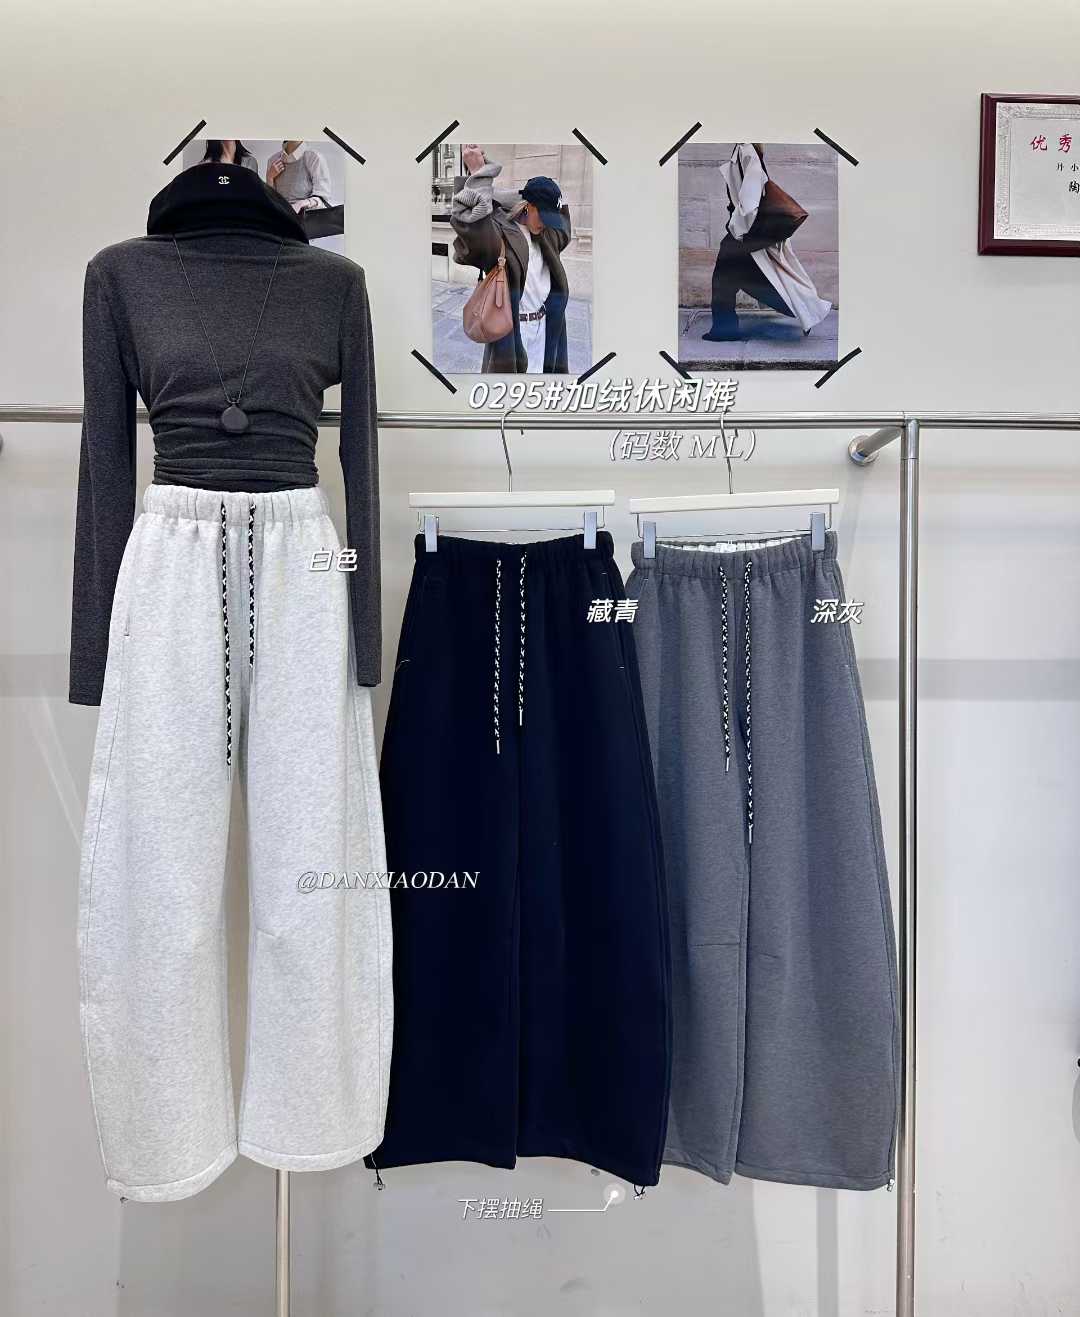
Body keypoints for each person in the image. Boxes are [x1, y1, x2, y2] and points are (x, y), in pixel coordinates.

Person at [450, 146, 572, 374]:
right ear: (528, 206)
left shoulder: (549, 236)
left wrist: (537, 194)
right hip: (512, 333)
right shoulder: (501, 234)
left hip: (545, 330)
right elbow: (473, 231)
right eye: (543, 216)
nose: (546, 224)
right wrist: (479, 176)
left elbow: (565, 225)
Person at [705, 142, 831, 342]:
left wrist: (737, 231)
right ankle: (725, 327)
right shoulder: (745, 148)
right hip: (745, 230)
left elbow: (751, 200)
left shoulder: (746, 149)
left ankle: (725, 328)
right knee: (737, 277)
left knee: (729, 276)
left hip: (744, 230)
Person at [266, 140, 334, 214]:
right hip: (280, 216)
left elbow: (323, 198)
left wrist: (301, 204)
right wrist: (270, 178)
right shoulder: (273, 160)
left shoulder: (314, 157)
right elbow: (271, 201)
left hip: (307, 217)